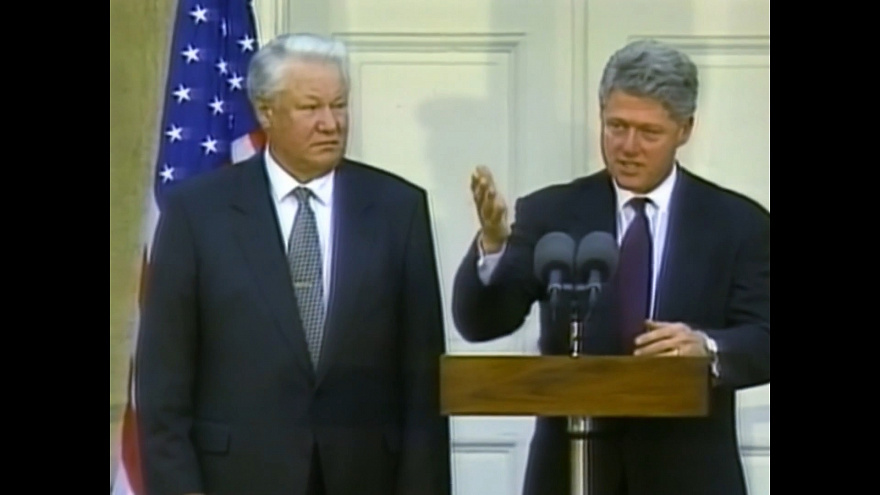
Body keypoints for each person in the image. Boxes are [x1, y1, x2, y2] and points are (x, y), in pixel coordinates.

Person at [136, 33, 451, 495]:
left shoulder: (398, 209)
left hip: (364, 477)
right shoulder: (196, 214)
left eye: (339, 106)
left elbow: (423, 388)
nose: (331, 123)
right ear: (266, 111)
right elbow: (163, 391)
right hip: (237, 480)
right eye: (311, 108)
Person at [452, 39, 770, 495]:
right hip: (570, 470)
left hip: (689, 474)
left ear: (685, 130)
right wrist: (494, 246)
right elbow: (483, 323)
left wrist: (709, 348)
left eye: (649, 132)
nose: (628, 147)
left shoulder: (737, 223)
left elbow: (764, 335)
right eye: (616, 126)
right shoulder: (552, 212)